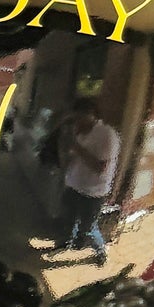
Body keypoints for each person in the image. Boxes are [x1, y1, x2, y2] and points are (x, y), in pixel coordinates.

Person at [59, 102, 122, 259]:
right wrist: (65, 143)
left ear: (91, 115)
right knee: (68, 219)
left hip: (93, 192)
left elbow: (100, 167)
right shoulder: (79, 132)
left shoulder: (106, 134)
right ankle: (69, 242)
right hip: (73, 185)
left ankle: (100, 250)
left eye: (80, 118)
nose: (77, 121)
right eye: (75, 118)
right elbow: (68, 159)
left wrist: (76, 146)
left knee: (88, 227)